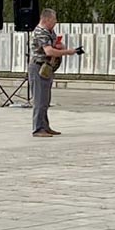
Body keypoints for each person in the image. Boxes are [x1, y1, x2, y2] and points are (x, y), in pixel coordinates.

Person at [29, 8, 81, 137]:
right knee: (40, 99)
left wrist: (60, 46)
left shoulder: (49, 31)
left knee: (45, 99)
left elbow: (54, 45)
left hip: (48, 67)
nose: (56, 22)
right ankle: (38, 128)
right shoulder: (40, 32)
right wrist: (68, 52)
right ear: (46, 19)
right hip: (39, 67)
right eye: (54, 19)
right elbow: (49, 51)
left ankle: (45, 126)